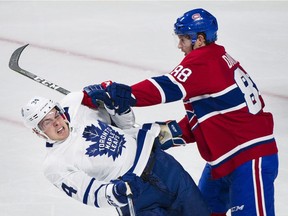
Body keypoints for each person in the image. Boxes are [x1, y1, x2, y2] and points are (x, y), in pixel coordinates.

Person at [90, 8, 279, 216]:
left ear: (199, 39)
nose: (180, 46)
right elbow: (211, 116)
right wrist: (167, 132)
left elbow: (166, 87)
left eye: (183, 39)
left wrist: (125, 95)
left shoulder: (204, 60)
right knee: (199, 212)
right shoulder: (215, 58)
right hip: (224, 160)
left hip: (250, 157)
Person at [20, 83, 211, 216]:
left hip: (165, 168)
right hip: (138, 197)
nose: (56, 123)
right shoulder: (55, 164)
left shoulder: (77, 106)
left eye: (55, 115)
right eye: (46, 123)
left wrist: (118, 108)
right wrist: (115, 192)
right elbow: (89, 193)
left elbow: (126, 125)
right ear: (38, 132)